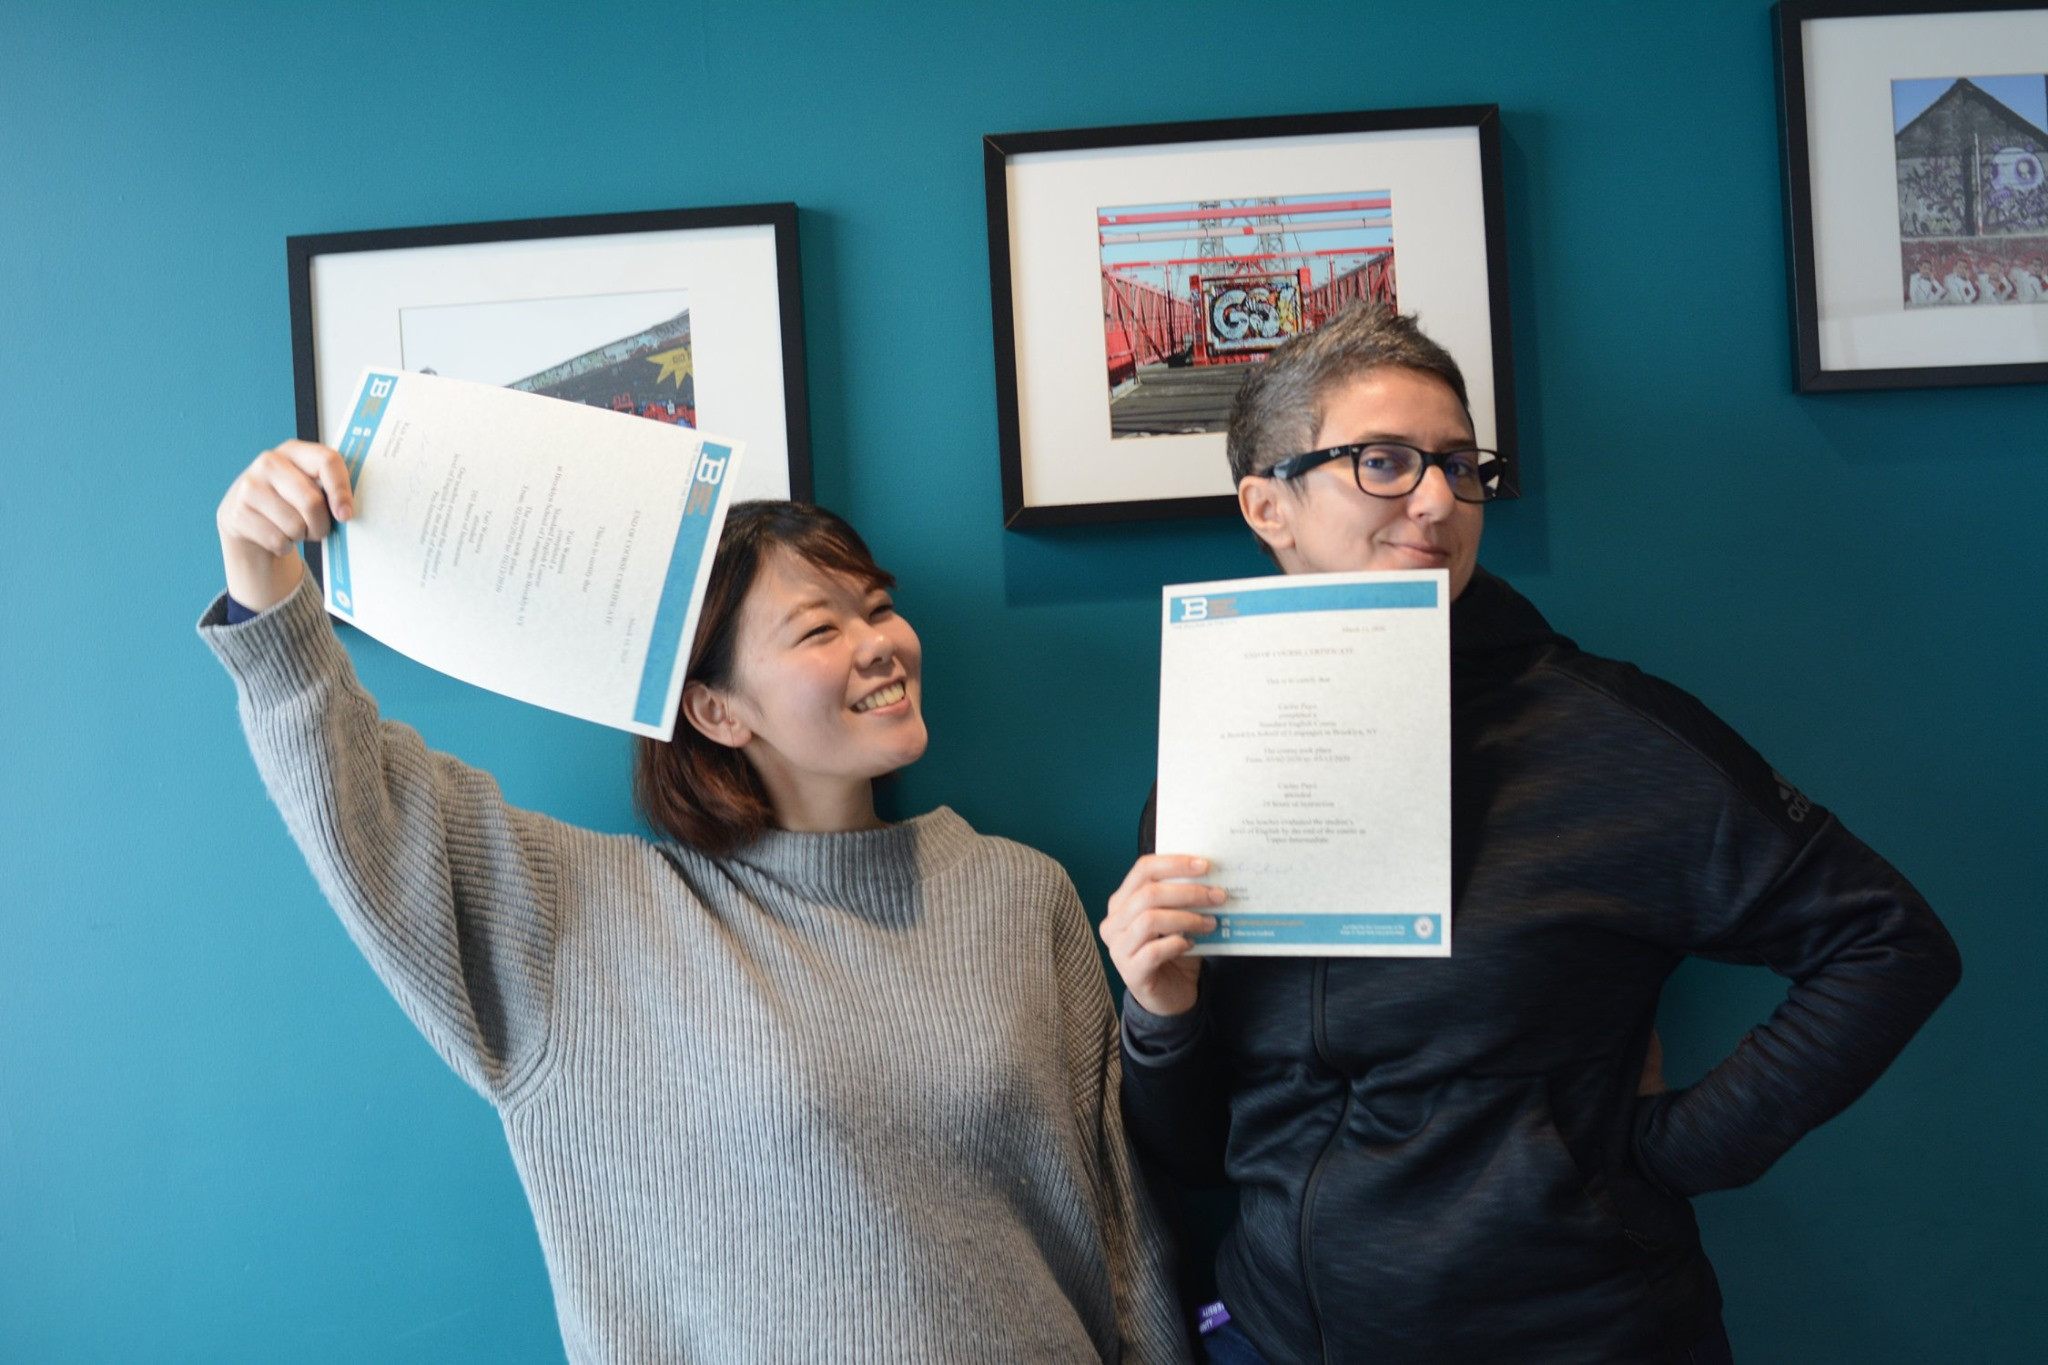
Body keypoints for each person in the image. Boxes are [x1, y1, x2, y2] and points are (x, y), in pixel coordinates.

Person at [1099, 303, 1961, 1364]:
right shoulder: (1214, 757)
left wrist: (1667, 1156)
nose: (1436, 500)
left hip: (1577, 1333)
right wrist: (1161, 1013)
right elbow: (1195, 1154)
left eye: (1459, 466)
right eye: (1382, 461)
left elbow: (1887, 943)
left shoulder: (1606, 732)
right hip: (1277, 1336)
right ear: (1266, 504)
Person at [202, 441, 1189, 1364]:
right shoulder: (593, 925)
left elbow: (1120, 1231)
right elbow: (368, 809)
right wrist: (262, 579)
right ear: (716, 710)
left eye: (879, 608)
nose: (879, 644)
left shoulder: (1020, 892)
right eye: (820, 628)